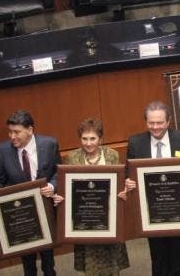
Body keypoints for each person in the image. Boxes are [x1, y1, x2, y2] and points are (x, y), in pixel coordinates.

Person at [125, 101, 180, 276]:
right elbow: (128, 172)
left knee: (178, 253)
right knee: (158, 255)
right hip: (151, 209)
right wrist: (129, 181)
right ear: (146, 122)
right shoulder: (136, 143)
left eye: (159, 122)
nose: (155, 127)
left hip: (178, 206)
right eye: (151, 123)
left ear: (168, 121)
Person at [0, 110, 59, 276]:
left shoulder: (50, 144)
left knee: (48, 263)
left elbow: (58, 173)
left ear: (30, 130)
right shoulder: (3, 150)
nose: (12, 136)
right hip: (20, 216)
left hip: (45, 211)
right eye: (10, 132)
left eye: (16, 132)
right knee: (28, 264)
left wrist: (52, 187)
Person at [53, 118, 130, 276]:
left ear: (100, 139)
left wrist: (123, 192)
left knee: (111, 262)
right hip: (85, 217)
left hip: (108, 218)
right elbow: (68, 187)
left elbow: (119, 183)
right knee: (91, 264)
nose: (88, 143)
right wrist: (62, 199)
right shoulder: (72, 158)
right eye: (84, 138)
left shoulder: (112, 156)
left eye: (93, 138)